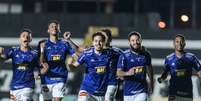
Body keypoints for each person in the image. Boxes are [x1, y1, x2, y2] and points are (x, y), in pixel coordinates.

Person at [0, 28, 47, 101]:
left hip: (28, 86)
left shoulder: (35, 54)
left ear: (30, 39)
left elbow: (43, 67)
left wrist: (40, 73)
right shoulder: (13, 51)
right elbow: (3, 58)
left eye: (28, 36)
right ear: (20, 39)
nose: (26, 37)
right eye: (23, 36)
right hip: (14, 87)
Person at [39, 20, 78, 101]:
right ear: (48, 30)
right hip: (47, 78)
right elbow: (41, 62)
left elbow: (77, 52)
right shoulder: (43, 44)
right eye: (52, 26)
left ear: (59, 30)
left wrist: (69, 40)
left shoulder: (64, 43)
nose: (54, 28)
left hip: (60, 77)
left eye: (56, 26)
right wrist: (42, 50)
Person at [68, 31, 112, 101]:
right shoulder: (87, 54)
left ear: (104, 42)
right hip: (87, 89)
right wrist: (70, 65)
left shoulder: (110, 54)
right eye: (96, 41)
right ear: (93, 42)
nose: (98, 43)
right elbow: (74, 67)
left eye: (100, 41)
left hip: (101, 92)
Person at [157, 34, 201, 101]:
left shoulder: (191, 57)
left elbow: (200, 72)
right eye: (177, 41)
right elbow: (165, 73)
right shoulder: (168, 58)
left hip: (187, 94)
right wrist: (161, 78)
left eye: (181, 42)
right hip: (173, 94)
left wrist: (190, 74)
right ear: (173, 44)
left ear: (184, 44)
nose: (179, 44)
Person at [117, 31, 154, 101]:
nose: (135, 42)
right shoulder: (124, 55)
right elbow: (118, 73)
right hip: (128, 92)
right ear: (129, 42)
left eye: (137, 40)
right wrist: (128, 73)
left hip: (142, 91)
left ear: (141, 40)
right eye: (133, 40)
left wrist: (151, 84)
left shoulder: (146, 55)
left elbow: (149, 70)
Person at [101, 28, 123, 101]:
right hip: (96, 83)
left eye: (105, 36)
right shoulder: (92, 51)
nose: (103, 38)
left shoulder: (117, 52)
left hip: (112, 82)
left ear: (110, 39)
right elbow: (79, 52)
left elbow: (128, 61)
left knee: (108, 98)